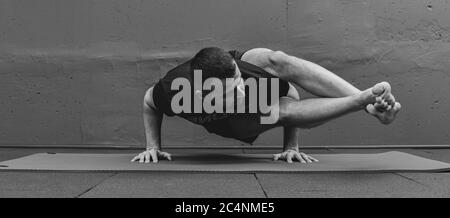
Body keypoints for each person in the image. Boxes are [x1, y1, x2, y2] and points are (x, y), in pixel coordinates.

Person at [131, 47, 401, 164]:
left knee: (274, 59)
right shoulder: (179, 91)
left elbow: (291, 92)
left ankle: (368, 103)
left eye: (238, 79)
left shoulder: (244, 76)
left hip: (231, 78)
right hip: (228, 120)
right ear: (203, 91)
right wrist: (152, 147)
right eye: (232, 88)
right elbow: (148, 102)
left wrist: (290, 147)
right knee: (280, 112)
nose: (242, 88)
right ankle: (360, 101)